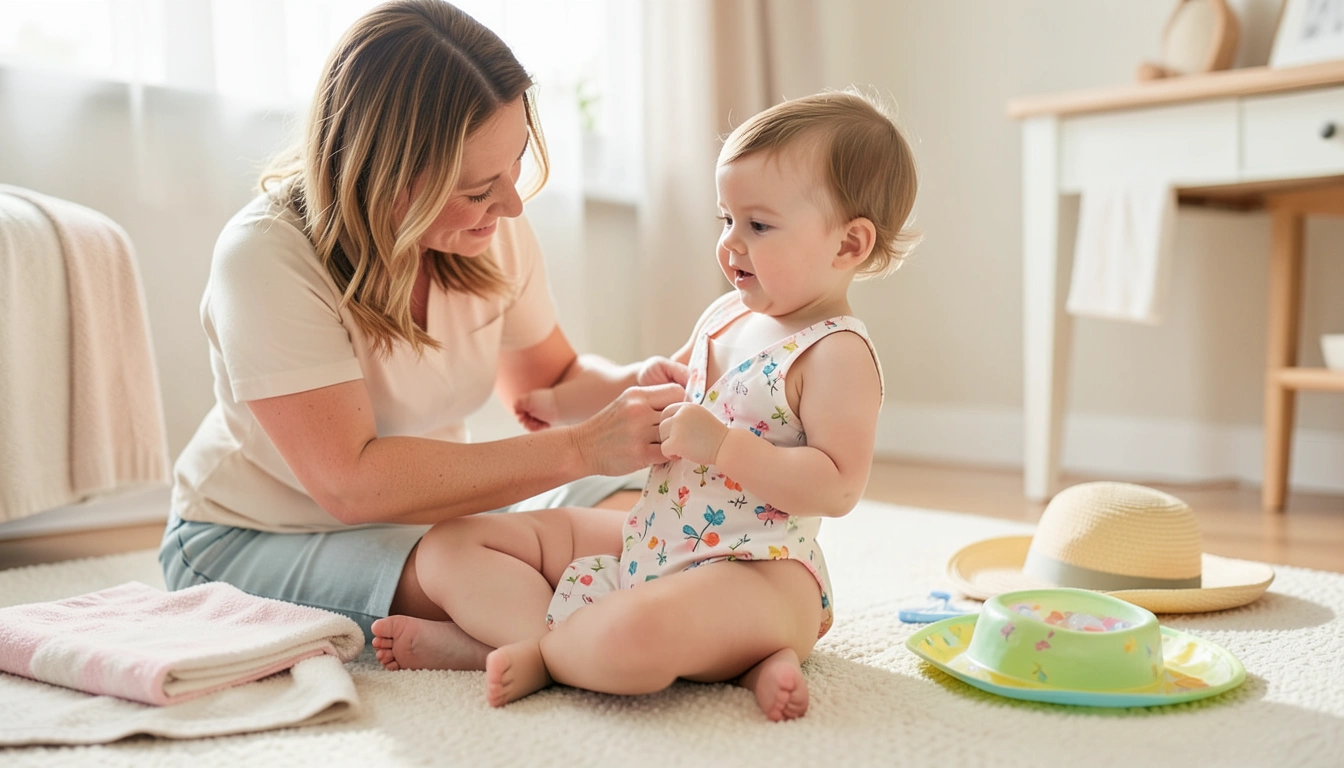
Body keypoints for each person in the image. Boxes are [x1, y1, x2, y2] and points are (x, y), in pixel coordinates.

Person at [158, 0, 688, 657]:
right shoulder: (264, 255)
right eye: (476, 189)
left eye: (517, 160)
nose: (512, 202)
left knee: (657, 511)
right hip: (257, 535)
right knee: (485, 562)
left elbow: (548, 384)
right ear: (382, 177)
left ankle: (513, 629)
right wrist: (581, 448)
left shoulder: (489, 233)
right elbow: (353, 484)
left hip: (433, 521)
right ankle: (561, 648)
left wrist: (641, 387)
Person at [372, 90, 919, 721]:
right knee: (453, 544)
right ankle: (571, 646)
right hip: (657, 539)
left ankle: (535, 654)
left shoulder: (836, 354)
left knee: (634, 637)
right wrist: (559, 401)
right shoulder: (726, 315)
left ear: (849, 246)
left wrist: (722, 447)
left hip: (759, 569)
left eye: (759, 226)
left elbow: (838, 487)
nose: (731, 244)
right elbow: (654, 380)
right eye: (726, 220)